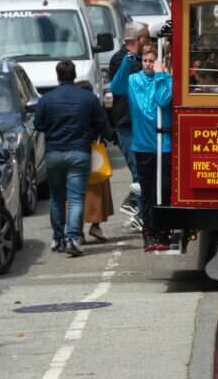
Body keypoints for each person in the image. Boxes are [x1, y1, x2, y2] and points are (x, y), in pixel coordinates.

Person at [34, 60, 112, 256]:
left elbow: (38, 125)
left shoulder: (46, 99)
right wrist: (112, 136)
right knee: (76, 198)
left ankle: (57, 238)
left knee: (56, 198)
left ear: (58, 76)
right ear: (75, 75)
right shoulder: (88, 98)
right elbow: (101, 123)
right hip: (79, 152)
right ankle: (73, 237)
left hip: (54, 153)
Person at [110, 42, 172, 252]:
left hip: (163, 144)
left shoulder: (166, 79)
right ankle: (149, 232)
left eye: (151, 61)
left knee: (163, 190)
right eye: (145, 60)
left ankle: (163, 232)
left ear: (158, 62)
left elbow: (163, 101)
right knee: (147, 192)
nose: (147, 64)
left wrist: (161, 75)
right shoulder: (133, 80)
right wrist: (126, 64)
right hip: (142, 144)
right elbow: (115, 88)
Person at [109, 21, 149, 230]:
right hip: (127, 125)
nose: (149, 42)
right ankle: (139, 212)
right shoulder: (120, 59)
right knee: (137, 169)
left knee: (144, 169)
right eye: (147, 38)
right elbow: (132, 69)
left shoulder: (139, 58)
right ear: (138, 39)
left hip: (143, 123)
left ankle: (140, 209)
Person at [78, 81, 114, 243]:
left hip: (75, 150)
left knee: (75, 194)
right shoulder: (94, 104)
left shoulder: (74, 106)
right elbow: (104, 126)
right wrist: (112, 135)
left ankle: (77, 231)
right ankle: (95, 226)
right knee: (97, 192)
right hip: (95, 153)